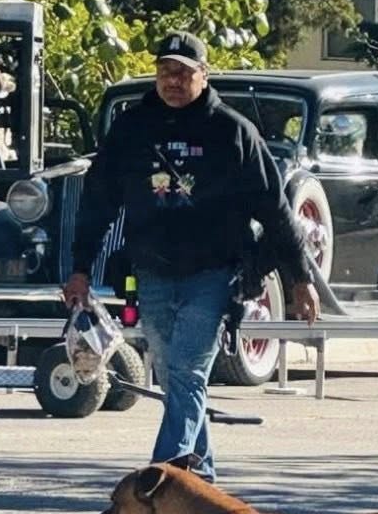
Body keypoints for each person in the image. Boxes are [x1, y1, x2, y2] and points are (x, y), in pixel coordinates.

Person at [63, 31, 320, 481]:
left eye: (183, 72)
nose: (173, 81)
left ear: (203, 75)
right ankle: (201, 480)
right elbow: (97, 202)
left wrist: (301, 280)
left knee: (185, 370)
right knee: (173, 376)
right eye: (165, 71)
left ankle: (162, 477)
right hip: (152, 270)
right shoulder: (132, 128)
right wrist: (80, 269)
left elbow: (276, 211)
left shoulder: (234, 131)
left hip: (213, 273)